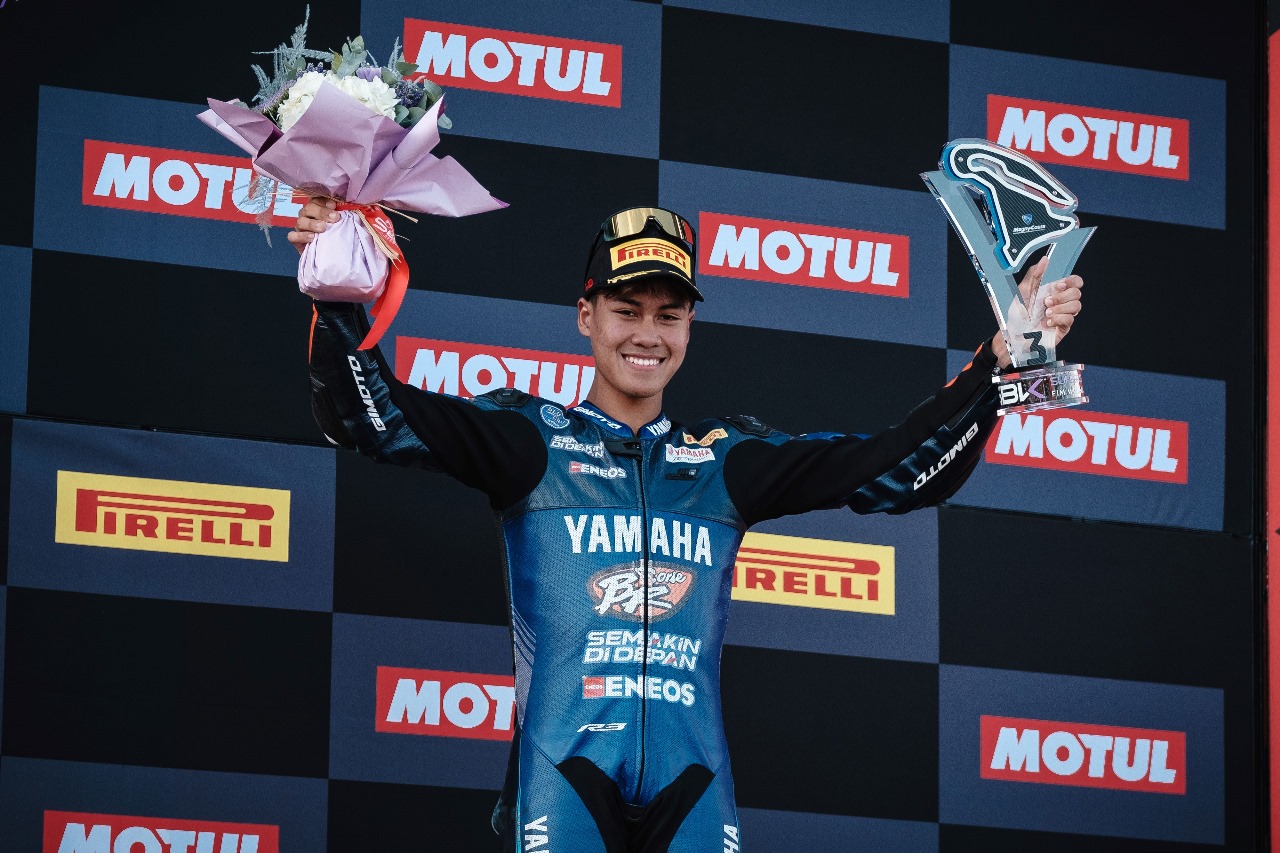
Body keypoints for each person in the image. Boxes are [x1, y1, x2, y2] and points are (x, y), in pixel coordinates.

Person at [290, 203, 1082, 852]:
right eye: (626, 310)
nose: (647, 333)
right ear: (585, 316)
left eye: (668, 315)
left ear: (690, 327)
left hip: (693, 785)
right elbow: (369, 415)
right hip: (562, 781)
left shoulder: (724, 460)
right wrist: (339, 288)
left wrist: (1001, 357)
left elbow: (898, 469)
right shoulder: (530, 442)